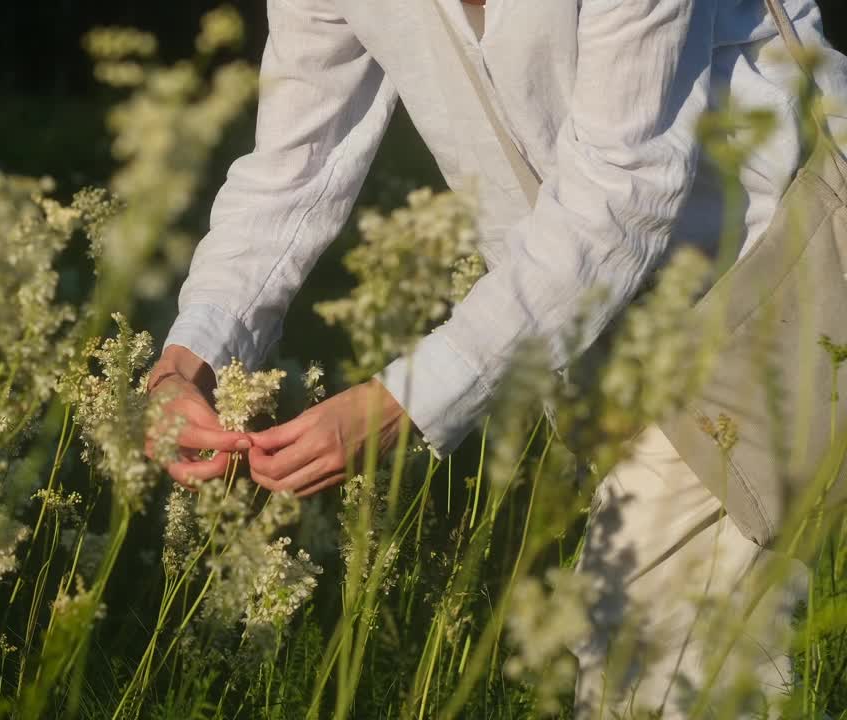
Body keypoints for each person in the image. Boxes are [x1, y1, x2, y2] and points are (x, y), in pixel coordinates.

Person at [143, 0, 847, 716]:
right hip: (595, 337)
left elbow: (624, 192)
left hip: (763, 282)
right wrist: (191, 359)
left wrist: (406, 403)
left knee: (656, 674)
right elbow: (293, 169)